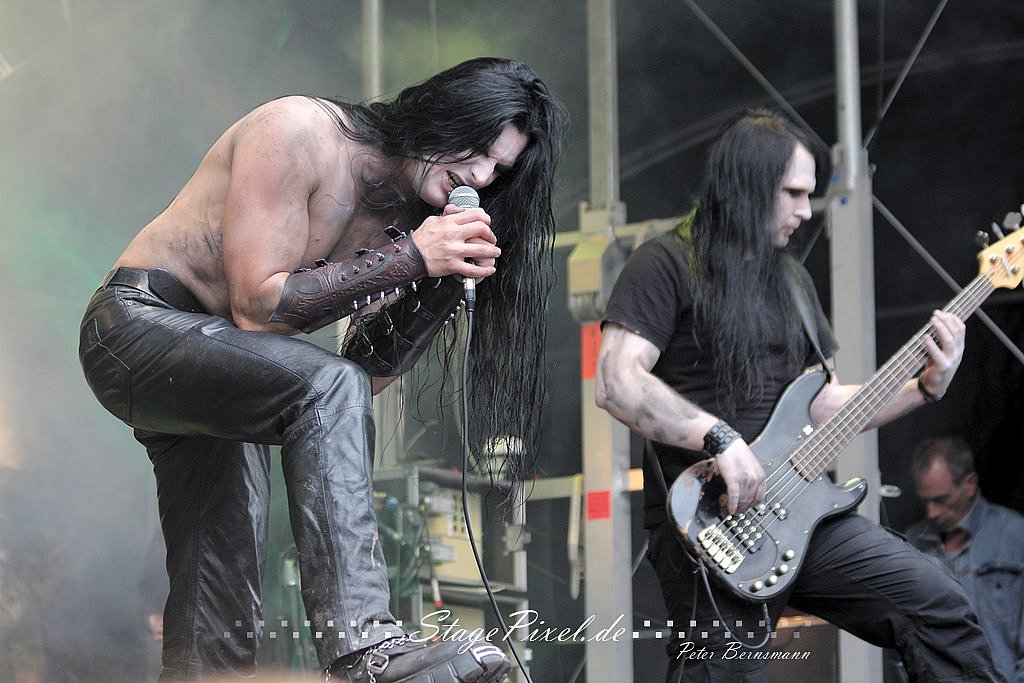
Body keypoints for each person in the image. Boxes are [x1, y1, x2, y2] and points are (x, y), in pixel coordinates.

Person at [78, 56, 564, 682]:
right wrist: (412, 259)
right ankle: (365, 649)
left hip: (223, 362)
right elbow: (258, 307)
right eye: (478, 150)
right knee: (325, 388)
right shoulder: (298, 131)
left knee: (220, 595)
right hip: (134, 327)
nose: (480, 175)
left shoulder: (412, 218)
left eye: (499, 168)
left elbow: (362, 378)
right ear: (444, 116)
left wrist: (437, 286)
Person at [595, 109, 1004, 681]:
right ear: (747, 186)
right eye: (793, 193)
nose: (807, 211)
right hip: (711, 524)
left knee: (938, 608)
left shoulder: (793, 282)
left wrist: (923, 387)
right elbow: (617, 381)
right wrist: (719, 438)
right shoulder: (664, 264)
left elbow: (823, 404)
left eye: (809, 194)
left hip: (801, 513)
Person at [905, 437, 1024, 681]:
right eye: (925, 501)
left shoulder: (1015, 536)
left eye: (941, 499)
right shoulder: (912, 543)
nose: (931, 512)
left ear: (969, 484)